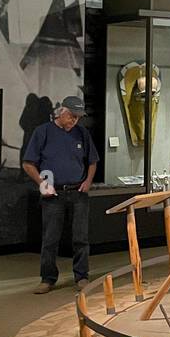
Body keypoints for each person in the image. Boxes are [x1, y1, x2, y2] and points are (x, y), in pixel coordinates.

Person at [22, 96, 98, 294]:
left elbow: (92, 161)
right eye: (72, 116)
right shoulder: (43, 132)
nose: (74, 120)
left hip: (78, 192)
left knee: (81, 237)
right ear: (62, 112)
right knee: (50, 238)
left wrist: (88, 182)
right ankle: (47, 278)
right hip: (53, 194)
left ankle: (81, 276)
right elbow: (28, 163)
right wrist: (42, 184)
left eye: (78, 117)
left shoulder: (83, 134)